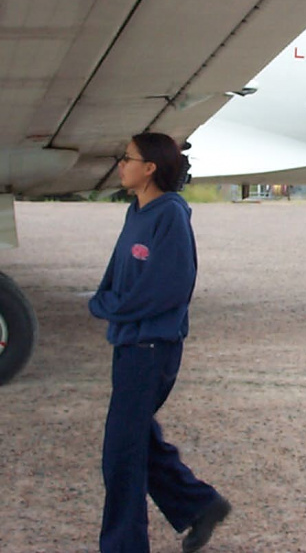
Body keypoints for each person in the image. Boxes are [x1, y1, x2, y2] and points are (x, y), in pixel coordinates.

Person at [89, 132, 230, 553]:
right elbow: (116, 276)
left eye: (127, 158)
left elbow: (170, 287)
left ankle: (123, 545)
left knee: (120, 454)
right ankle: (201, 505)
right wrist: (106, 301)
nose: (121, 164)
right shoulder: (137, 212)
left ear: (149, 168)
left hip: (152, 349)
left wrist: (114, 306)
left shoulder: (170, 215)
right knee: (135, 441)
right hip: (128, 345)